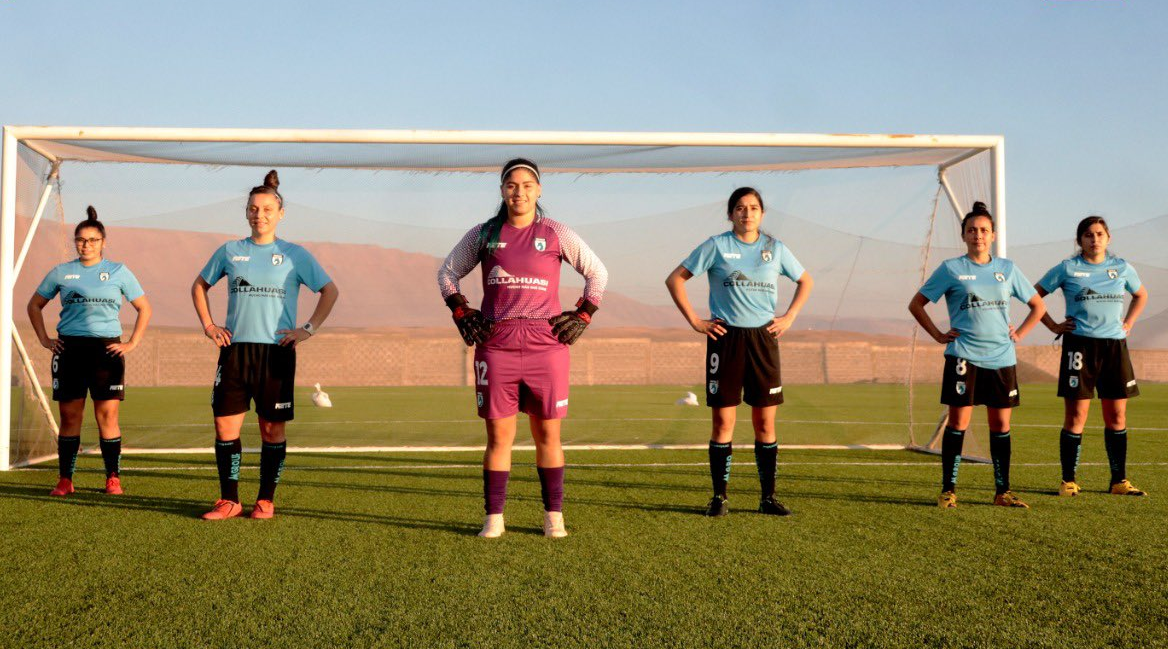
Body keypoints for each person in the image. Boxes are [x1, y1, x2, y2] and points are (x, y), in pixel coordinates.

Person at [437, 158, 608, 538]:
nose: (519, 192)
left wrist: (584, 314)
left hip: (546, 345)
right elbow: (447, 273)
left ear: (539, 190)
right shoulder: (483, 234)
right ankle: (494, 519)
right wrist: (461, 310)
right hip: (496, 344)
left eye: (527, 185)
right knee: (499, 437)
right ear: (502, 190)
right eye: (512, 185)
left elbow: (598, 272)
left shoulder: (556, 232)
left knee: (548, 435)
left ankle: (553, 519)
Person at [192, 170, 339, 521]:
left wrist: (307, 329)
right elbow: (199, 286)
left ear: (280, 213)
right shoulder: (230, 251)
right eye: (254, 209)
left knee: (271, 428)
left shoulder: (294, 254)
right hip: (235, 351)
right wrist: (209, 325)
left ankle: (265, 500)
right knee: (225, 426)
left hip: (275, 354)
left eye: (267, 209)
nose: (260, 215)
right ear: (246, 212)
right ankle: (229, 500)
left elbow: (329, 291)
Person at [665, 187, 813, 517]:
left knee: (765, 423)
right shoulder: (717, 246)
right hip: (726, 339)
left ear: (762, 214)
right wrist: (695, 321)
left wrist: (789, 317)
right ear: (730, 214)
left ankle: (767, 498)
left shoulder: (775, 249)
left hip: (764, 340)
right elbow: (675, 279)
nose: (747, 213)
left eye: (754, 208)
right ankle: (719, 498)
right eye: (740, 208)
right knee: (723, 421)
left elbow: (806, 281)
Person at [908, 201, 1046, 509]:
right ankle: (948, 490)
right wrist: (938, 335)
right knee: (958, 422)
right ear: (964, 236)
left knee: (1001, 425)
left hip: (1001, 358)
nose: (978, 235)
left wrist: (1019, 334)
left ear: (993, 235)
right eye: (972, 230)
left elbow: (1038, 306)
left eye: (984, 230)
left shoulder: (1007, 269)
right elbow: (916, 304)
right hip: (963, 357)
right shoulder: (951, 269)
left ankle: (1002, 492)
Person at [28, 206, 152, 497]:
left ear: (103, 242)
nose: (86, 245)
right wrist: (45, 339)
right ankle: (65, 479)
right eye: (81, 239)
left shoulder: (119, 271)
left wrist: (132, 342)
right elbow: (34, 305)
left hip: (105, 350)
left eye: (93, 240)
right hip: (69, 349)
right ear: (75, 241)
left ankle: (112, 478)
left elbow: (144, 307)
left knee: (106, 416)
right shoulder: (62, 272)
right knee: (70, 417)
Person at [1034, 216, 1148, 497]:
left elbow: (1140, 295)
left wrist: (1129, 323)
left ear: (1108, 238)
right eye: (1087, 235)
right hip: (1080, 348)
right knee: (1076, 415)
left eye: (1099, 234)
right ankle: (1068, 480)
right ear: (1079, 241)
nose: (1094, 239)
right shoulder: (1067, 268)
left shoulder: (1121, 268)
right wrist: (1053, 325)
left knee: (1117, 414)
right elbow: (1033, 296)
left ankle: (1118, 481)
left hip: (1114, 348)